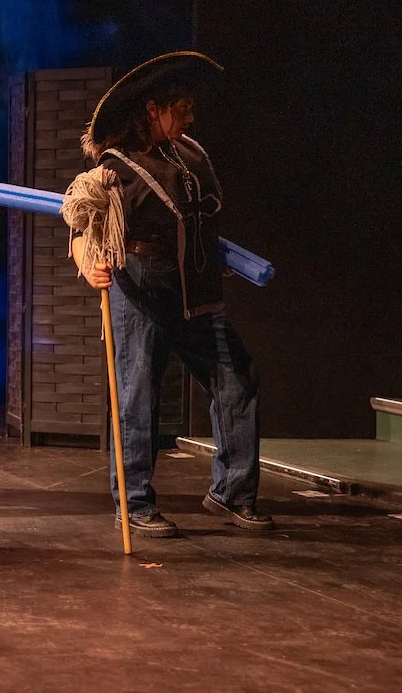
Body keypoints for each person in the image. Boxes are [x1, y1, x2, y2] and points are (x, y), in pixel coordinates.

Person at [72, 52, 272, 538]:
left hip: (196, 290)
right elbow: (80, 225)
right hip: (141, 286)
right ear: (153, 110)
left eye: (190, 109)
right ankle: (135, 503)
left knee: (236, 377)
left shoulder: (193, 155)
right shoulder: (116, 167)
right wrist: (89, 265)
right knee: (138, 395)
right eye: (181, 109)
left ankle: (232, 492)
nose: (189, 118)